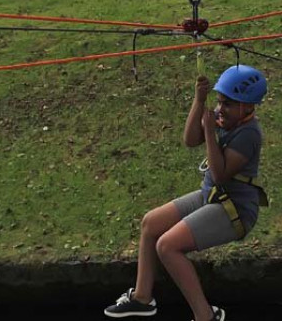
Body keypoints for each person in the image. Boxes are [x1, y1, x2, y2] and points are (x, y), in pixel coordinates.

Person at [103, 65, 268, 321]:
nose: (220, 108)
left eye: (228, 104)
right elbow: (191, 140)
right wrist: (199, 101)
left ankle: (205, 316)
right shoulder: (225, 116)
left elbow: (221, 173)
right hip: (210, 196)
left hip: (235, 209)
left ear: (247, 107)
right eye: (219, 101)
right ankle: (142, 298)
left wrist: (211, 133)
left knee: (168, 246)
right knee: (151, 223)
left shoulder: (249, 134)